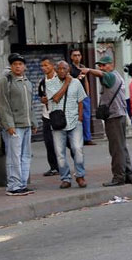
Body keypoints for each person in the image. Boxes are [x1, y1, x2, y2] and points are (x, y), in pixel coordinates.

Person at [85, 56, 132, 186]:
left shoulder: (111, 76)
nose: (101, 68)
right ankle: (128, 174)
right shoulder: (117, 76)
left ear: (111, 65)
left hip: (114, 117)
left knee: (116, 148)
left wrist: (88, 70)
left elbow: (101, 74)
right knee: (121, 147)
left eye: (104, 65)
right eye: (99, 65)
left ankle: (119, 177)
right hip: (119, 115)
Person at [0, 53, 37, 196]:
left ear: (24, 66)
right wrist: (9, 125)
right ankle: (13, 186)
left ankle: (23, 184)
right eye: (15, 64)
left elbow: (30, 105)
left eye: (20, 64)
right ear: (11, 66)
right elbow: (2, 104)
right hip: (14, 126)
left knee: (26, 155)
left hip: (26, 125)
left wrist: (33, 121)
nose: (18, 66)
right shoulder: (5, 81)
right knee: (14, 156)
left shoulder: (27, 82)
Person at [49, 61, 87, 189]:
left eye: (64, 68)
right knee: (60, 153)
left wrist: (80, 119)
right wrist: (66, 83)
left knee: (78, 149)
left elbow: (81, 100)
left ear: (68, 69)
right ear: (55, 69)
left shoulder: (76, 83)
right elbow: (56, 98)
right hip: (58, 123)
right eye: (58, 68)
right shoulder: (51, 83)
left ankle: (80, 176)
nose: (61, 71)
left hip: (74, 121)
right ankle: (65, 178)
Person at [39, 57, 68, 177]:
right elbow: (40, 95)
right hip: (47, 115)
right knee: (49, 142)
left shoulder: (61, 79)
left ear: (52, 66)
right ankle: (54, 167)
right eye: (42, 66)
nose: (44, 68)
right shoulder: (42, 82)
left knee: (69, 143)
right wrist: (43, 99)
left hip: (60, 115)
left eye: (46, 65)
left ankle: (76, 163)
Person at [69, 49, 95, 146]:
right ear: (71, 57)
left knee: (86, 117)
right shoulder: (70, 68)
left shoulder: (82, 67)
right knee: (76, 118)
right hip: (74, 97)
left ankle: (87, 138)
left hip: (84, 96)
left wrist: (87, 94)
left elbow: (86, 81)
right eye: (75, 55)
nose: (77, 57)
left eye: (79, 55)